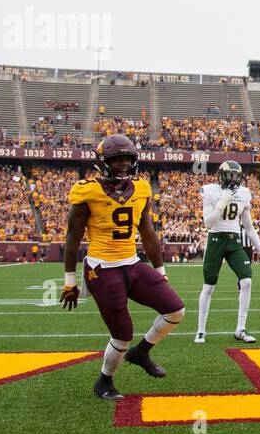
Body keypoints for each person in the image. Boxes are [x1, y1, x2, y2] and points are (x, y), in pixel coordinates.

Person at [59, 135, 186, 400]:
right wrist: (69, 280)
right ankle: (104, 381)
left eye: (127, 159)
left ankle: (142, 352)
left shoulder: (140, 187)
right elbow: (73, 236)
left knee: (175, 309)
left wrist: (161, 272)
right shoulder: (88, 190)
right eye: (117, 160)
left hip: (131, 263)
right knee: (122, 333)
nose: (123, 165)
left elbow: (148, 232)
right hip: (102, 268)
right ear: (103, 162)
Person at [193, 160, 260, 344]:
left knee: (246, 281)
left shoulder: (244, 194)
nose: (233, 180)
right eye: (229, 176)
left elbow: (249, 228)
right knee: (209, 286)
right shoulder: (210, 190)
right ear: (221, 175)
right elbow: (208, 223)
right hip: (215, 240)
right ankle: (201, 330)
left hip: (234, 241)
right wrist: (222, 203)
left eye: (236, 176)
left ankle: (241, 329)